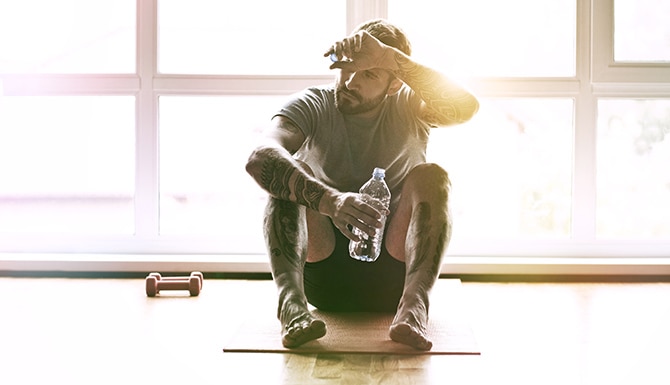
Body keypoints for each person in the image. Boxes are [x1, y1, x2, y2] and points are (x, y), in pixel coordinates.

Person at [245, 19, 479, 351]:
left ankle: (415, 308)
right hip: (324, 274)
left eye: (369, 74)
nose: (351, 82)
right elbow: (259, 156)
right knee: (286, 171)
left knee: (433, 176)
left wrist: (389, 58)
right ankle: (290, 304)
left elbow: (465, 107)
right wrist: (330, 202)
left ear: (394, 84)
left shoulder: (409, 104)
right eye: (349, 70)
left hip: (395, 276)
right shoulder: (314, 103)